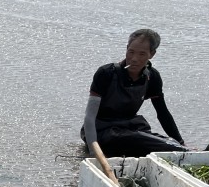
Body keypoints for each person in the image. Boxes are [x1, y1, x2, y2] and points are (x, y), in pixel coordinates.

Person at [81, 29, 201, 159]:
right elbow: (89, 116)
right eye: (131, 52)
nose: (134, 59)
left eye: (142, 54)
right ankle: (189, 154)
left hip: (130, 128)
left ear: (152, 54)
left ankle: (185, 150)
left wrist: (180, 141)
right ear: (126, 48)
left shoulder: (152, 77)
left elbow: (163, 113)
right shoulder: (106, 73)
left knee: (161, 140)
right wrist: (94, 151)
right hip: (101, 131)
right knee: (139, 139)